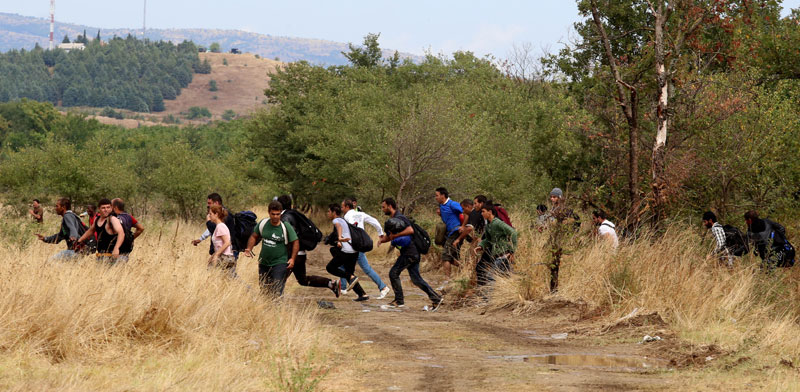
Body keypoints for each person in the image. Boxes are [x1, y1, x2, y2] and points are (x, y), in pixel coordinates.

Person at [379, 198, 442, 310]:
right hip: (411, 253)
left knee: (393, 273)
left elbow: (410, 230)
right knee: (416, 279)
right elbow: (392, 236)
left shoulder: (400, 217)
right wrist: (382, 240)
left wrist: (395, 236)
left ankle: (399, 300)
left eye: (384, 207)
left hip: (410, 252)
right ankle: (436, 298)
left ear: (390, 206)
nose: (382, 209)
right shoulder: (393, 220)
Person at [277, 195, 340, 297]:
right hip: (300, 254)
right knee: (302, 280)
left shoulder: (286, 217)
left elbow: (291, 237)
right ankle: (331, 283)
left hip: (293, 255)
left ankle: (274, 300)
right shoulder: (295, 214)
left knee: (279, 278)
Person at [244, 201, 299, 296]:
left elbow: (295, 242)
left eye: (278, 214)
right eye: (273, 214)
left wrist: (292, 259)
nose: (275, 216)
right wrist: (249, 249)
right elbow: (254, 236)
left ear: (281, 213)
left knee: (277, 291)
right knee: (264, 290)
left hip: (280, 263)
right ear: (269, 212)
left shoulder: (285, 226)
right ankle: (266, 309)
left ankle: (276, 309)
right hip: (263, 263)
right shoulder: (263, 224)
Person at [341, 198, 391, 300]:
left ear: (347, 207)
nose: (342, 209)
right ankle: (343, 288)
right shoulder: (361, 214)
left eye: (342, 207)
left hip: (353, 246)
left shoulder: (346, 217)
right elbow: (375, 221)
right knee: (349, 266)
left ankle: (383, 287)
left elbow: (348, 231)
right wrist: (380, 233)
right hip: (361, 244)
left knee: (346, 266)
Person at [324, 204, 368, 300]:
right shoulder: (344, 220)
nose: (328, 213)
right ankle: (362, 294)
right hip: (354, 251)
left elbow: (338, 227)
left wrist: (339, 239)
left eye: (329, 211)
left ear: (334, 213)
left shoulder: (336, 220)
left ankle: (351, 277)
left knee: (330, 268)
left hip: (346, 251)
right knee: (349, 273)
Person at [474, 203, 518, 285]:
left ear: (490, 212)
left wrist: (512, 251)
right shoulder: (488, 226)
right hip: (497, 255)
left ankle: (487, 297)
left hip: (504, 254)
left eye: (483, 211)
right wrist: (481, 246)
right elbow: (488, 240)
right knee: (506, 277)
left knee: (491, 277)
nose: (481, 213)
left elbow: (513, 233)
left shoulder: (498, 223)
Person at [76, 198, 129, 263]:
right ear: (99, 209)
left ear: (111, 208)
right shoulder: (97, 219)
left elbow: (121, 233)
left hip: (115, 255)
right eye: (103, 208)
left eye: (108, 207)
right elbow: (91, 230)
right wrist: (79, 241)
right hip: (102, 255)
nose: (106, 210)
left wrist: (116, 248)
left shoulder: (113, 219)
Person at [192, 193, 237, 259]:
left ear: (216, 203)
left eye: (209, 203)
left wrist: (208, 222)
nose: (208, 205)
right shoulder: (220, 216)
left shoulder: (225, 216)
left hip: (227, 253)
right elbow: (215, 229)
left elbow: (215, 229)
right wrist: (200, 239)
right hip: (221, 251)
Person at [435, 187, 464, 278]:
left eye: (437, 195)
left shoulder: (453, 204)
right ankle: (466, 269)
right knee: (452, 258)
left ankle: (447, 280)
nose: (435, 198)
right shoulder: (441, 206)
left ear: (443, 196)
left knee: (445, 257)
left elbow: (465, 213)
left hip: (456, 233)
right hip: (449, 234)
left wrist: (463, 226)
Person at [207, 205, 237, 277]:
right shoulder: (219, 226)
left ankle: (247, 288)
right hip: (223, 256)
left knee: (213, 275)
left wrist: (216, 255)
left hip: (224, 257)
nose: (209, 216)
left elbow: (227, 242)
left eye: (210, 214)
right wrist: (213, 256)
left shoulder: (221, 226)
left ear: (216, 214)